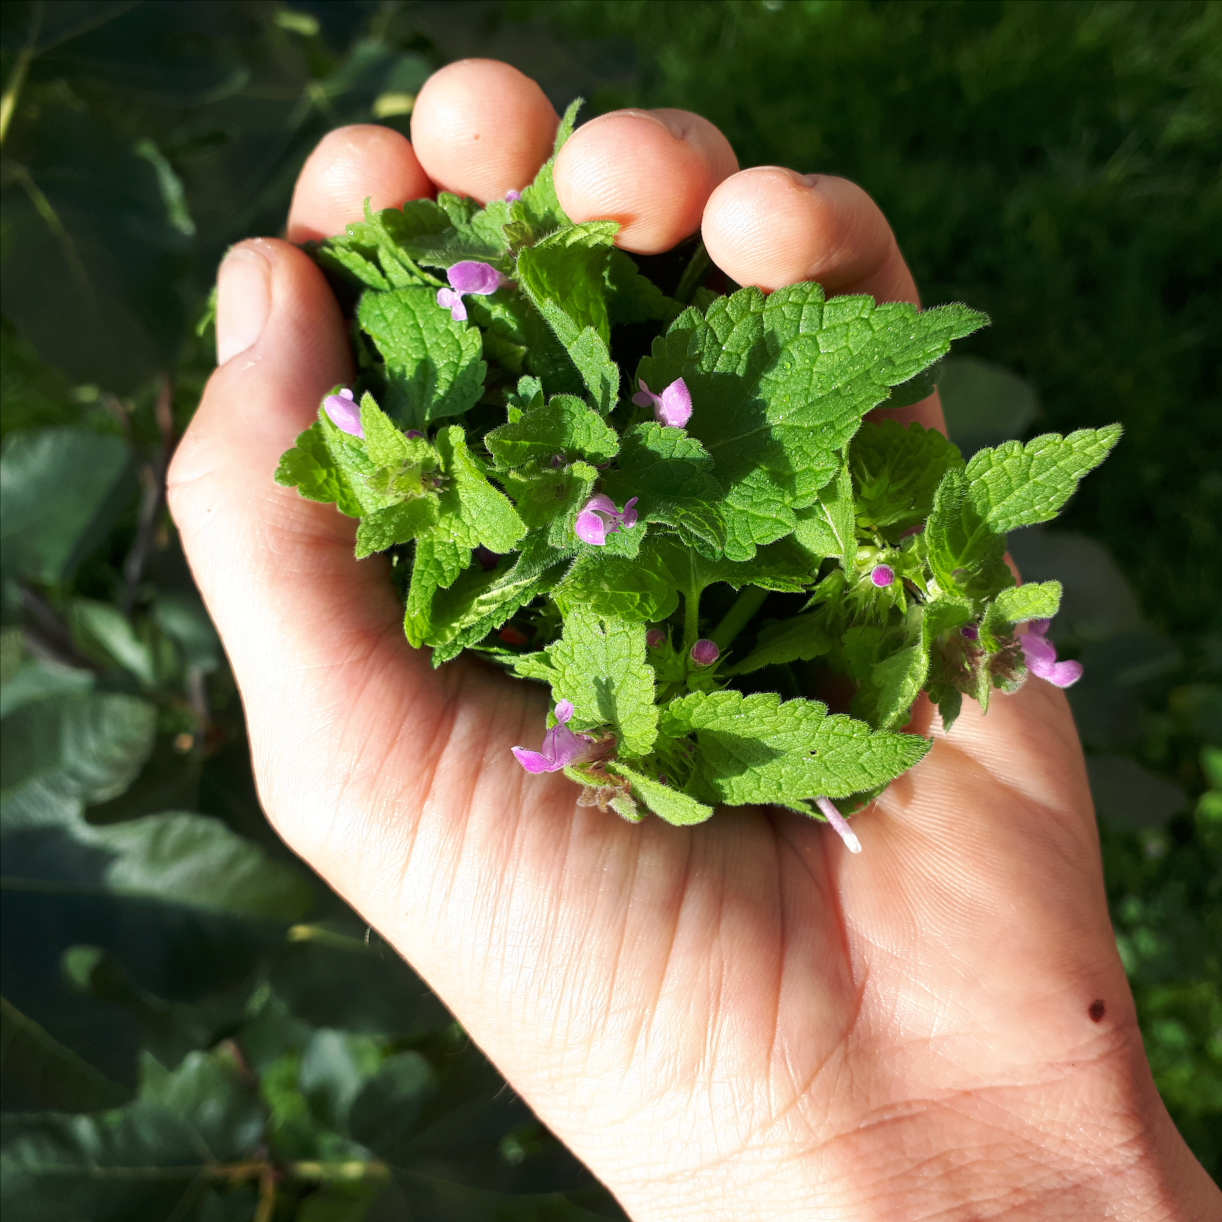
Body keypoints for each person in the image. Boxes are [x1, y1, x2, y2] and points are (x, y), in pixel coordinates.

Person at [168, 59, 1220, 1221]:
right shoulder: (516, 543)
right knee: (686, 271)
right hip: (583, 532)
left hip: (637, 540)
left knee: (713, 283)